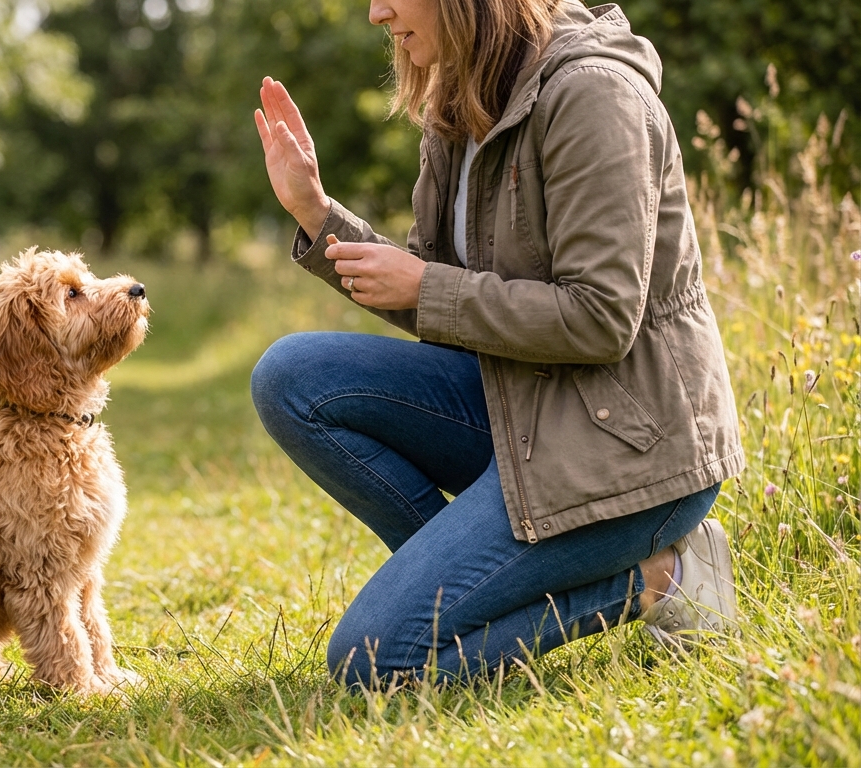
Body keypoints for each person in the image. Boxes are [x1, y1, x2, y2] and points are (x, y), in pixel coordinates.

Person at [250, 0, 744, 686]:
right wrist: (316, 213)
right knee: (292, 377)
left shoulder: (595, 95)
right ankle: (468, 598)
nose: (376, 12)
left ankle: (664, 579)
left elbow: (601, 316)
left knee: (373, 663)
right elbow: (430, 297)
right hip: (522, 410)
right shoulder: (463, 97)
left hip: (629, 452)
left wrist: (426, 288)